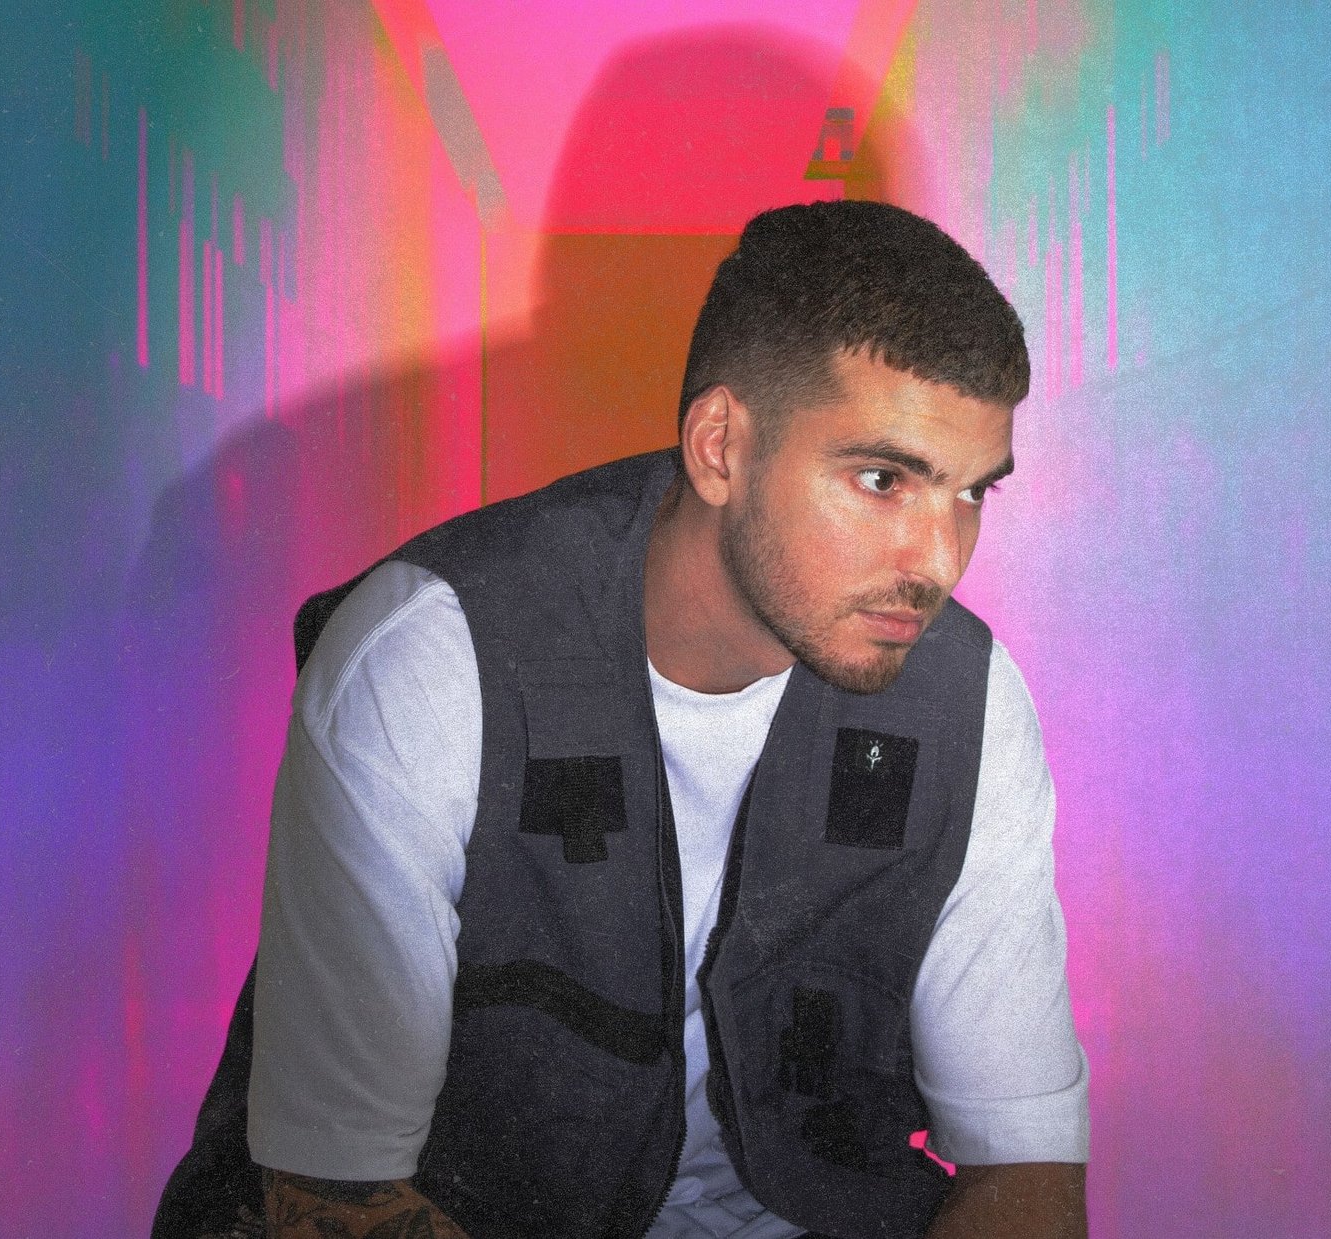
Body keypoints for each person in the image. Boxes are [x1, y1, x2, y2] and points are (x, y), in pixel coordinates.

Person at [155, 199, 1088, 1239]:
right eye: (882, 480)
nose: (939, 561)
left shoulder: (967, 699)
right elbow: (333, 1199)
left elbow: (1023, 1169)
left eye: (972, 494)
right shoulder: (435, 657)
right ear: (720, 446)